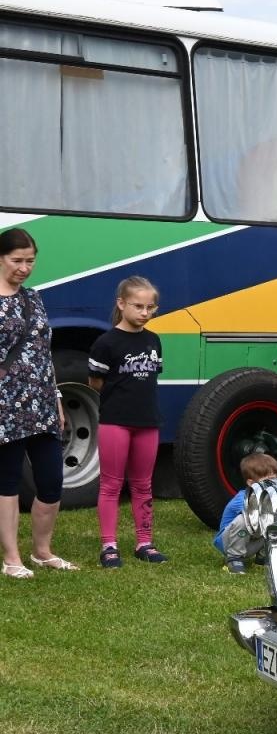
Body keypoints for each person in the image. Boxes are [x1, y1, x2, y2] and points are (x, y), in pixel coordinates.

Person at [0, 228, 75, 578]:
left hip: (43, 403)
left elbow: (43, 354)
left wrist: (56, 397)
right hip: (6, 406)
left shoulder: (34, 298)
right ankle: (12, 557)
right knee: (8, 481)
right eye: (17, 260)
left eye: (30, 261)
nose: (25, 268)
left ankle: (42, 551)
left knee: (51, 480)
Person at [89, 276, 167, 568]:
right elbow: (96, 382)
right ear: (121, 304)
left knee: (143, 484)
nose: (145, 313)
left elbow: (152, 377)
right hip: (115, 423)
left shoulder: (154, 340)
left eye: (151, 307)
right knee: (111, 485)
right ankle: (109, 546)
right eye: (138, 306)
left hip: (147, 422)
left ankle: (144, 542)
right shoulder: (105, 343)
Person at [215, 452, 277, 573]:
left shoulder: (272, 498)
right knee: (245, 520)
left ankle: (263, 556)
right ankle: (234, 558)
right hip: (229, 542)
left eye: (276, 480)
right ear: (251, 483)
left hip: (251, 543)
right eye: (268, 481)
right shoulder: (244, 499)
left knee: (276, 521)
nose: (273, 485)